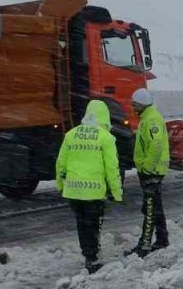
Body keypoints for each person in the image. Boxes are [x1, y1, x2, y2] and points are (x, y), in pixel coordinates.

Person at [56, 100, 123, 274]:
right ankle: (93, 259)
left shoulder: (71, 134)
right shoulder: (105, 137)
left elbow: (60, 164)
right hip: (93, 192)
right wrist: (117, 193)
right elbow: (112, 169)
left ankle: (88, 254)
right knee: (93, 224)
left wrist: (60, 186)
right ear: (105, 115)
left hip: (73, 191)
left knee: (82, 223)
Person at [125, 88, 170, 257]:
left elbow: (156, 144)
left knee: (150, 208)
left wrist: (147, 167)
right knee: (155, 207)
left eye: (134, 104)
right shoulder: (148, 117)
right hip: (151, 170)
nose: (132, 107)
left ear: (142, 104)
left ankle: (144, 246)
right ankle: (162, 239)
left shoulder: (151, 120)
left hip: (152, 171)